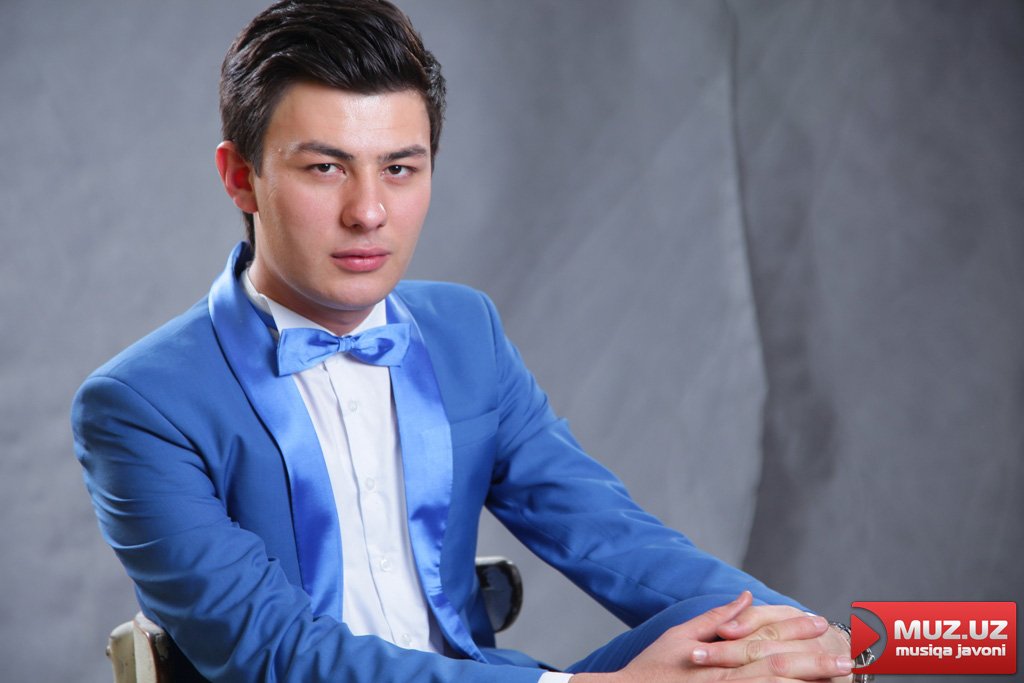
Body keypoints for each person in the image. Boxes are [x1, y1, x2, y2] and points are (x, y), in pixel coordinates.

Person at [71, 1, 855, 681]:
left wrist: (812, 638)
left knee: (749, 653)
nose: (369, 211)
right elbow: (274, 652)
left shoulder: (464, 331)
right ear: (241, 177)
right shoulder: (140, 404)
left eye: (400, 169)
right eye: (326, 168)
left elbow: (606, 533)